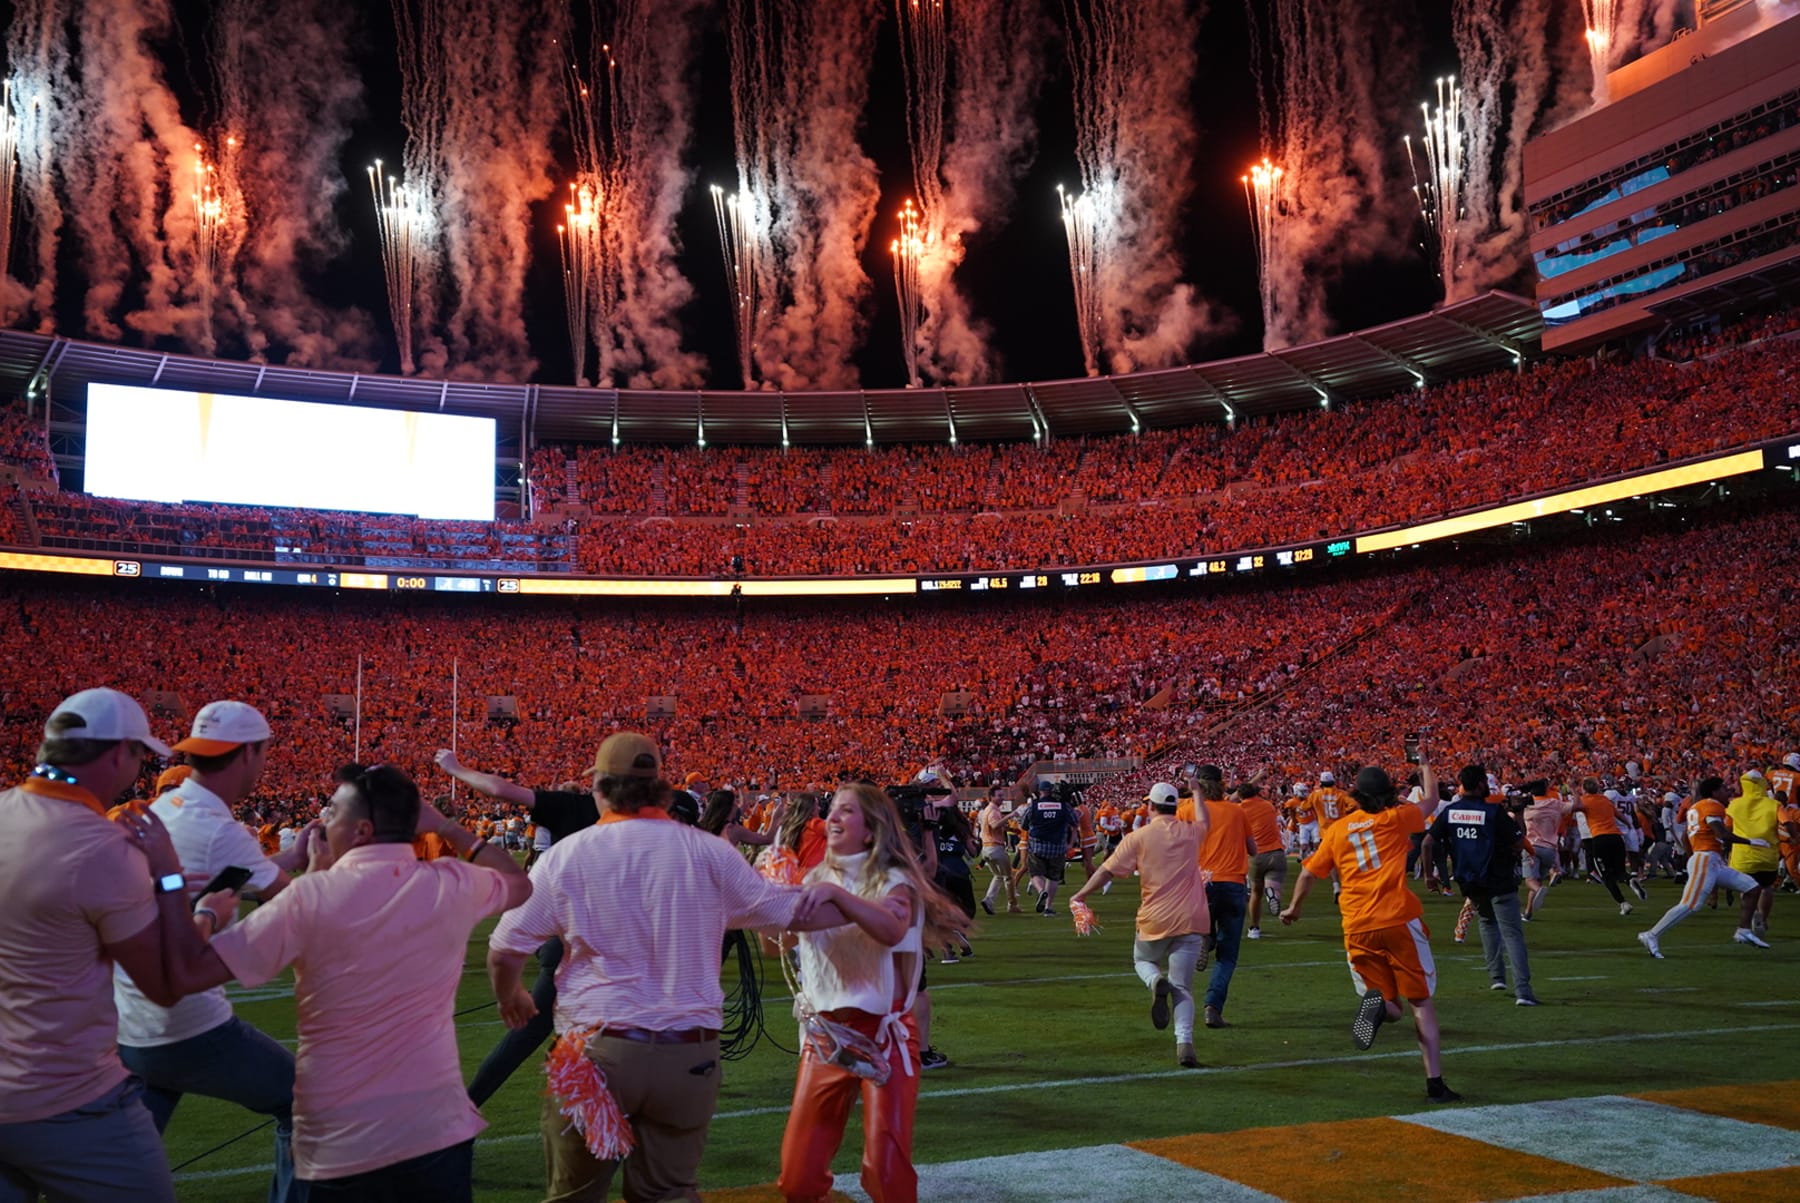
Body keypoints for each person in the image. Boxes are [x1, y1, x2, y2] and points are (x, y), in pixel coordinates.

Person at [486, 733, 844, 1203]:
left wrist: (510, 994)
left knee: (573, 1195)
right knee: (670, 1193)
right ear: (661, 787)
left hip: (597, 1052)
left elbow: (506, 947)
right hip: (687, 1054)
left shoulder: (567, 856)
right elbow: (793, 911)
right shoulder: (709, 852)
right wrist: (877, 902)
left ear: (598, 788)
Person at [151, 763, 531, 1200]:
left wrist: (207, 914)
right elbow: (517, 883)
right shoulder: (449, 883)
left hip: (342, 1135)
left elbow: (183, 974)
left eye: (332, 812)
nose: (322, 820)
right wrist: (447, 826)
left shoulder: (307, 897)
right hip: (436, 1128)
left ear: (362, 830)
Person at [0, 688, 232, 1203]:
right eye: (139, 754)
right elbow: (169, 984)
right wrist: (182, 888)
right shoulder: (100, 846)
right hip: (65, 1098)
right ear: (116, 754)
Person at [113, 701, 313, 1203]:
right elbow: (301, 905)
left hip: (131, 1017)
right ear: (248, 754)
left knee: (128, 1163)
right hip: (187, 1023)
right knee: (305, 1102)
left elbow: (223, 875)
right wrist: (329, 868)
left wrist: (290, 856)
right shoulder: (222, 830)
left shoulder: (169, 808)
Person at [777, 784, 967, 1203]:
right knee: (798, 1178)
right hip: (825, 1036)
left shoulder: (894, 881)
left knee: (886, 1170)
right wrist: (773, 898)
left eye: (847, 811)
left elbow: (891, 928)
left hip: (885, 1034)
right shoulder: (814, 876)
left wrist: (835, 896)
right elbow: (786, 940)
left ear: (871, 829)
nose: (833, 818)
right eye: (833, 810)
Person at [1282, 765, 1460, 1104]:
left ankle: (1380, 1010)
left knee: (1390, 1002)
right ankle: (1435, 1082)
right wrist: (1423, 764)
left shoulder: (1337, 830)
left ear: (1356, 795)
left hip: (1357, 925)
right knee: (1420, 1001)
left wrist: (1293, 908)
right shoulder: (1397, 817)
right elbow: (1433, 798)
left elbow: (1307, 874)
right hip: (1398, 919)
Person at [432, 748, 597, 1107]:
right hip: (614, 945)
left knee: (542, 1034)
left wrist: (455, 769)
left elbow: (500, 788)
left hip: (570, 935)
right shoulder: (647, 822)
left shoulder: (577, 809)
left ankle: (464, 1110)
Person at [1069, 781, 1212, 1068]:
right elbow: (1203, 819)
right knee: (1183, 987)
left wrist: (1081, 894)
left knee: (1141, 961)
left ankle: (1154, 981)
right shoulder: (1190, 832)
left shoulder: (1139, 836)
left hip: (1155, 916)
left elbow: (1107, 871)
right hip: (1192, 916)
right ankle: (1184, 1044)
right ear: (1174, 805)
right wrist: (1197, 792)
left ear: (1150, 806)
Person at [1421, 760, 1537, 1006]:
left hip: (1469, 879)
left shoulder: (1451, 812)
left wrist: (1429, 875)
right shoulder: (1493, 812)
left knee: (1486, 921)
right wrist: (1516, 817)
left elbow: (1427, 843)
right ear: (1482, 783)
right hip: (1498, 876)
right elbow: (1518, 842)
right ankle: (1523, 992)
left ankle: (1496, 976)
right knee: (1512, 933)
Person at [1637, 775, 1771, 958]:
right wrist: (1750, 841)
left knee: (1752, 887)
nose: (1728, 792)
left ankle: (1743, 930)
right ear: (1715, 792)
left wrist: (1694, 856)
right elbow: (1721, 833)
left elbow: (1686, 836)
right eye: (1724, 789)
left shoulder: (1697, 806)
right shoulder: (1712, 805)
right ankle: (1651, 935)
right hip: (1706, 859)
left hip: (1710, 859)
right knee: (1691, 905)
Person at [1726, 771, 1780, 940]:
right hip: (1767, 854)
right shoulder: (1774, 804)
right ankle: (1762, 919)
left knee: (1746, 889)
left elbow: (1727, 827)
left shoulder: (1735, 804)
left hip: (1743, 855)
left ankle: (1750, 917)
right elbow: (1785, 823)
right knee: (1766, 888)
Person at [1573, 777, 1639, 915]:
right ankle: (1630, 879)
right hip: (1616, 837)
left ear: (1584, 789)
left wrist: (1574, 791)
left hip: (1600, 838)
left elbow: (1575, 807)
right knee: (1620, 871)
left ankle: (1623, 903)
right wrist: (1628, 824)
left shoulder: (1585, 800)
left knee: (1606, 875)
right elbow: (1620, 815)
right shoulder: (1605, 800)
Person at [1014, 780, 1079, 916]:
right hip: (1057, 847)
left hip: (1038, 846)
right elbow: (1074, 823)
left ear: (1040, 791)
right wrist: (1070, 844)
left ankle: (1041, 891)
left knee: (1035, 873)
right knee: (1053, 877)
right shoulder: (1063, 806)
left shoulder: (1034, 806)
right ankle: (1048, 908)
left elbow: (1024, 825)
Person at [1239, 783, 1288, 941]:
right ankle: (1272, 892)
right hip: (1276, 852)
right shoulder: (1268, 805)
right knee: (1273, 880)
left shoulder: (1239, 809)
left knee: (1255, 893)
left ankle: (1254, 928)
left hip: (1256, 854)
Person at [1519, 780, 1574, 919]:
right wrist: (1573, 789)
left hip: (1532, 846)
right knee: (1537, 880)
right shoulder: (1555, 803)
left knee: (1530, 881)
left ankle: (1538, 891)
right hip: (1550, 848)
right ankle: (1528, 913)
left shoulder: (1526, 805)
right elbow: (1577, 805)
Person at [976, 792, 1020, 914]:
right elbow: (995, 825)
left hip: (986, 848)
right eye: (999, 795)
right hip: (996, 847)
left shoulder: (986, 810)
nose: (1002, 798)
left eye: (1002, 795)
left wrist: (1010, 829)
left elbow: (993, 826)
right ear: (991, 797)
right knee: (1009, 877)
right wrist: (1010, 815)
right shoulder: (993, 811)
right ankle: (1012, 905)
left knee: (999, 876)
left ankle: (989, 900)